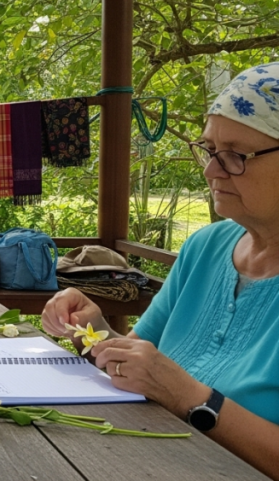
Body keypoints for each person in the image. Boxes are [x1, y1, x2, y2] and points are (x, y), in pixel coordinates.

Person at [41, 62, 279, 478]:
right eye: (208, 150)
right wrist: (93, 330)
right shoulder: (206, 247)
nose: (210, 171)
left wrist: (191, 397)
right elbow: (137, 362)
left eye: (236, 156)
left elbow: (171, 386)